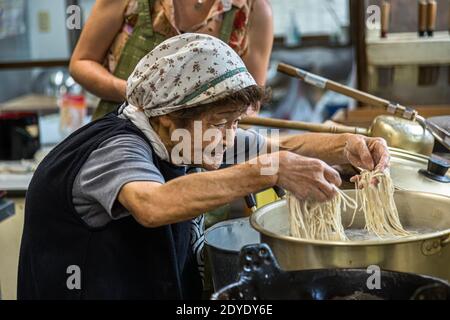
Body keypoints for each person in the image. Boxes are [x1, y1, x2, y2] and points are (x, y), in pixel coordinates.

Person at [18, 34, 389, 299]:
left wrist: (347, 144)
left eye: (236, 122)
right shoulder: (114, 149)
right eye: (221, 122)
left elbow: (284, 146)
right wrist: (271, 170)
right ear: (167, 117)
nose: (230, 136)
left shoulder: (190, 139)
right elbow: (154, 204)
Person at [69, 0, 273, 119]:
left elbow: (250, 104)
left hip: (202, 153)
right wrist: (134, 92)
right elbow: (82, 62)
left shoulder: (253, 10)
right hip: (120, 136)